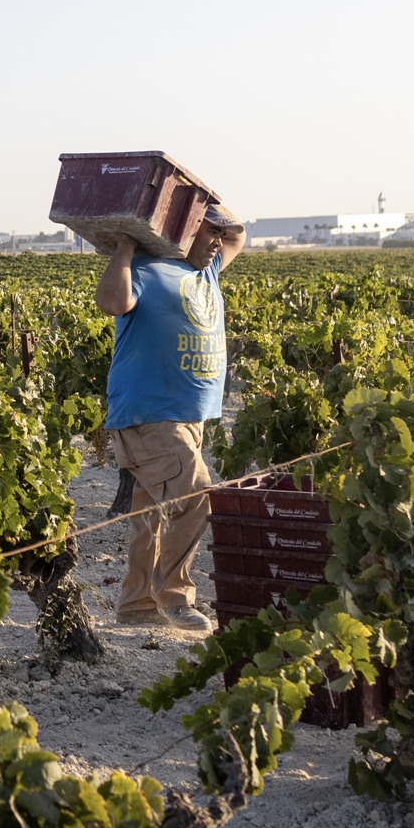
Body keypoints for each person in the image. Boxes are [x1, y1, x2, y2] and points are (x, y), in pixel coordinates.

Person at [94, 203, 246, 630]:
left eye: (218, 234)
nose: (218, 241)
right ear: (183, 232)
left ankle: (137, 603)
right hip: (148, 415)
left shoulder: (207, 269)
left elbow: (238, 235)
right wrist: (125, 248)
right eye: (208, 232)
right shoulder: (145, 268)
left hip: (187, 416)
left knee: (151, 512)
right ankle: (176, 596)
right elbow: (111, 302)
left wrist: (206, 202)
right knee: (196, 493)